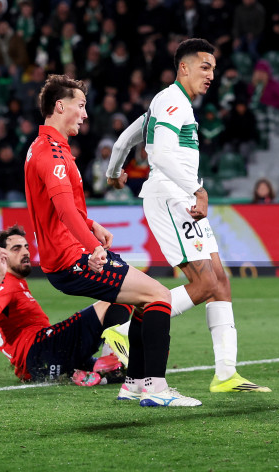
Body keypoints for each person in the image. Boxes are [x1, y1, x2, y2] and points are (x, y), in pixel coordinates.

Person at [105, 38, 270, 394]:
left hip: (182, 197)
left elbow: (124, 141)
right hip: (172, 197)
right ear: (184, 67)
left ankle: (226, 374)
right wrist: (198, 189)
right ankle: (123, 331)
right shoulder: (174, 102)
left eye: (213, 69)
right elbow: (161, 155)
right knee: (206, 283)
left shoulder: (168, 102)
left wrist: (113, 171)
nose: (211, 75)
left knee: (220, 280)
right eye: (204, 67)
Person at [24, 74, 200, 407]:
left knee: (141, 301)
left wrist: (91, 225)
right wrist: (92, 247)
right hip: (72, 258)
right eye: (80, 105)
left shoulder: (40, 148)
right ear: (60, 106)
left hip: (66, 255)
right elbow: (64, 210)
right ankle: (156, 388)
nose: (85, 114)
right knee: (160, 296)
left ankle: (134, 384)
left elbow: (56, 207)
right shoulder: (54, 154)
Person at [0, 226, 129, 385]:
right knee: (120, 296)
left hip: (39, 362)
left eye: (26, 247)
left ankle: (82, 372)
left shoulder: (9, 285)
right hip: (41, 348)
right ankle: (110, 361)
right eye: (16, 248)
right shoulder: (5, 285)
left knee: (118, 369)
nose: (25, 252)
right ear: (1, 256)